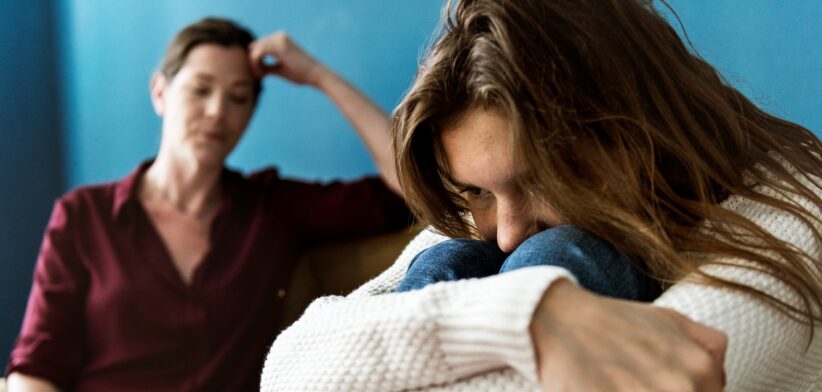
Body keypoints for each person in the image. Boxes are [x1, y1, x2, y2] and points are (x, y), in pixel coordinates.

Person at [260, 0, 822, 391]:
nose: (504, 229)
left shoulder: (793, 213)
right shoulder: (484, 219)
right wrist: (528, 314)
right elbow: (287, 370)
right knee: (451, 257)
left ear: (638, 133)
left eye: (541, 180)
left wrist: (524, 295)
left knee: (553, 256)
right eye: (477, 191)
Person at [6, 18, 410, 391]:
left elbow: (408, 189)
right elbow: (37, 367)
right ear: (160, 92)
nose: (218, 111)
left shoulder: (273, 209)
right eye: (200, 90)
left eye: (238, 98)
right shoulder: (83, 216)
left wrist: (318, 76)